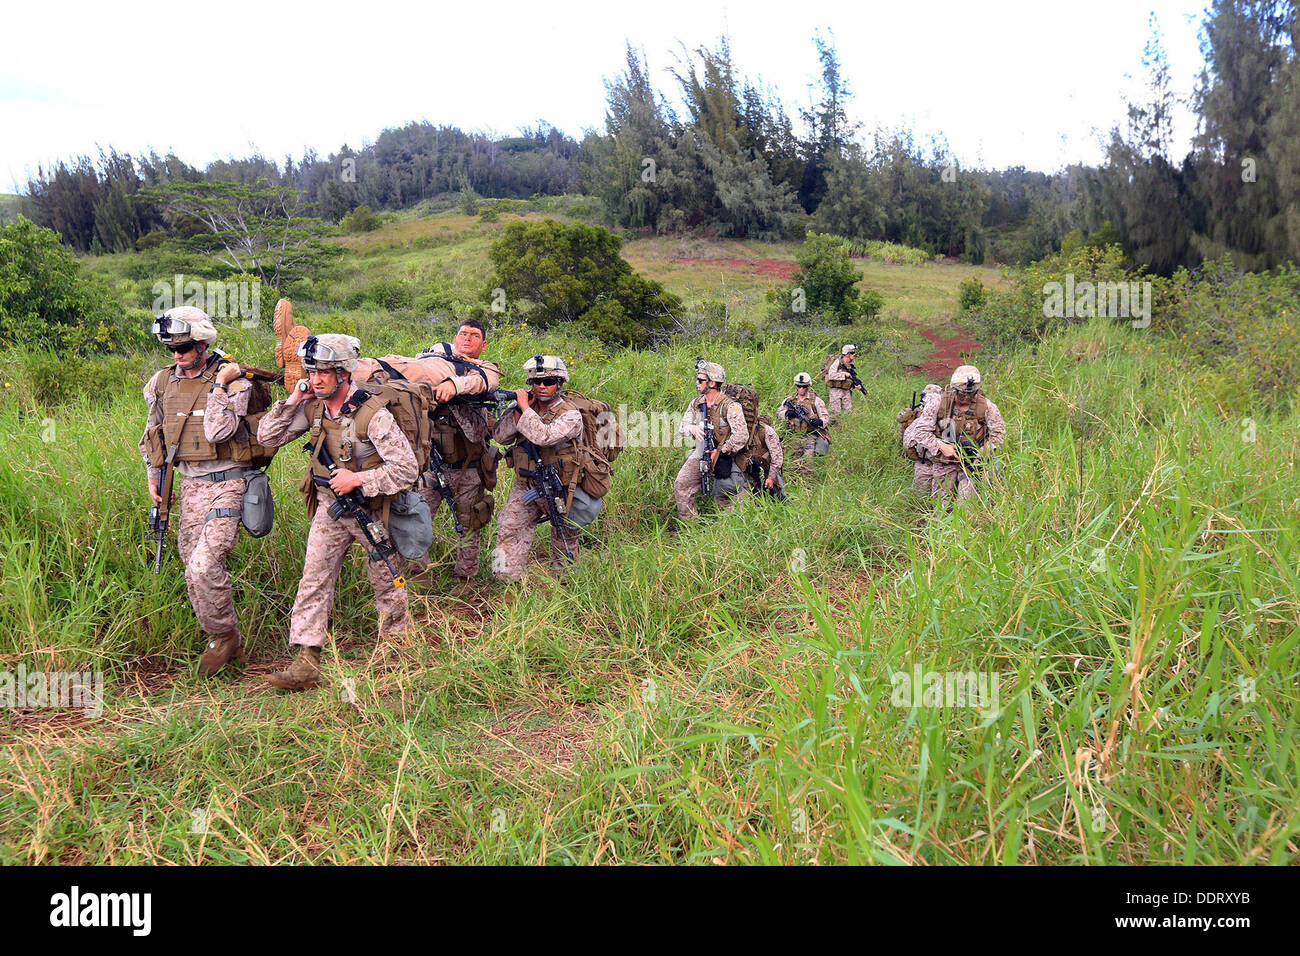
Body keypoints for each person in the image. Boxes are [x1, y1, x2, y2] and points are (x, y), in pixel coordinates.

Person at [256, 334, 419, 690]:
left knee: (388, 581)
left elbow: (406, 470)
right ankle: (306, 661)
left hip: (371, 510)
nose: (316, 379)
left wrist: (359, 480)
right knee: (314, 578)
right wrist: (294, 399)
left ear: (344, 373)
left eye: (324, 373)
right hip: (331, 507)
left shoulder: (372, 415)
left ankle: (396, 654)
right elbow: (267, 437)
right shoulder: (312, 407)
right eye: (312, 372)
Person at [139, 306, 267, 677]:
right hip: (190, 483)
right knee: (190, 566)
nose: (178, 356)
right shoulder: (162, 382)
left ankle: (222, 636)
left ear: (203, 343)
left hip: (229, 481)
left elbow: (219, 432)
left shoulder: (233, 379)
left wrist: (220, 385)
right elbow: (155, 434)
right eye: (172, 349)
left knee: (204, 563)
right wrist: (154, 474)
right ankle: (230, 642)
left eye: (185, 347)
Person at [418, 320, 501, 584]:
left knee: (469, 525)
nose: (467, 338)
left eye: (474, 335)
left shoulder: (483, 372)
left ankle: (465, 579)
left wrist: (454, 386)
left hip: (469, 468)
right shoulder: (434, 366)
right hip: (432, 465)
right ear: (454, 339)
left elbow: (480, 384)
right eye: (462, 334)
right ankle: (419, 577)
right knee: (416, 521)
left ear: (483, 344)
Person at [491, 355, 585, 582]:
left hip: (560, 488)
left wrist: (525, 408)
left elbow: (545, 437)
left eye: (549, 381)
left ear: (560, 383)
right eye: (536, 382)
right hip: (526, 485)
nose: (542, 386)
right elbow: (500, 436)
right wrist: (518, 411)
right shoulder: (523, 408)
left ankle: (567, 586)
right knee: (508, 529)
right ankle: (506, 581)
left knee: (564, 538)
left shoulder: (570, 413)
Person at [908, 365, 1006, 505]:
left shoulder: (987, 407)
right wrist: (941, 446)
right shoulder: (938, 403)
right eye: (962, 393)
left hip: (970, 465)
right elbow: (920, 431)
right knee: (941, 506)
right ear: (954, 389)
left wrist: (983, 452)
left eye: (971, 394)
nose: (966, 397)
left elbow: (998, 435)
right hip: (944, 463)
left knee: (966, 508)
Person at [672, 361, 750, 517]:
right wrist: (692, 428)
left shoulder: (730, 406)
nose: (697, 383)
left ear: (712, 383)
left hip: (726, 455)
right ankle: (689, 527)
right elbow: (682, 427)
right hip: (702, 452)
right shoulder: (696, 403)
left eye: (701, 380)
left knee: (728, 494)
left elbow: (742, 436)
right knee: (681, 484)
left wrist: (721, 451)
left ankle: (727, 528)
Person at [900, 383, 944, 490]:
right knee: (920, 495)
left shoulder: (945, 414)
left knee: (941, 496)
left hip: (940, 463)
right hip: (923, 461)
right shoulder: (918, 413)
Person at [779, 373, 830, 457]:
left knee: (808, 461)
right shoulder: (789, 400)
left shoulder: (816, 401)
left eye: (804, 386)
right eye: (799, 386)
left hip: (810, 436)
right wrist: (786, 414)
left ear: (808, 386)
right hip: (794, 436)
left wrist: (820, 422)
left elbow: (825, 417)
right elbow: (779, 413)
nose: (801, 389)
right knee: (793, 460)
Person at [745, 415, 786, 497]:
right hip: (749, 473)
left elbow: (777, 456)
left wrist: (771, 477)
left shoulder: (765, 430)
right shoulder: (739, 430)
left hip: (768, 469)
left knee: (778, 497)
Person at [824, 344, 860, 417]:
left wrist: (856, 385)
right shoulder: (837, 362)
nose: (854, 355)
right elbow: (831, 375)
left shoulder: (851, 364)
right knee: (835, 413)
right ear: (847, 354)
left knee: (848, 412)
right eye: (852, 353)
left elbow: (851, 377)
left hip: (846, 390)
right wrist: (843, 374)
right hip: (836, 391)